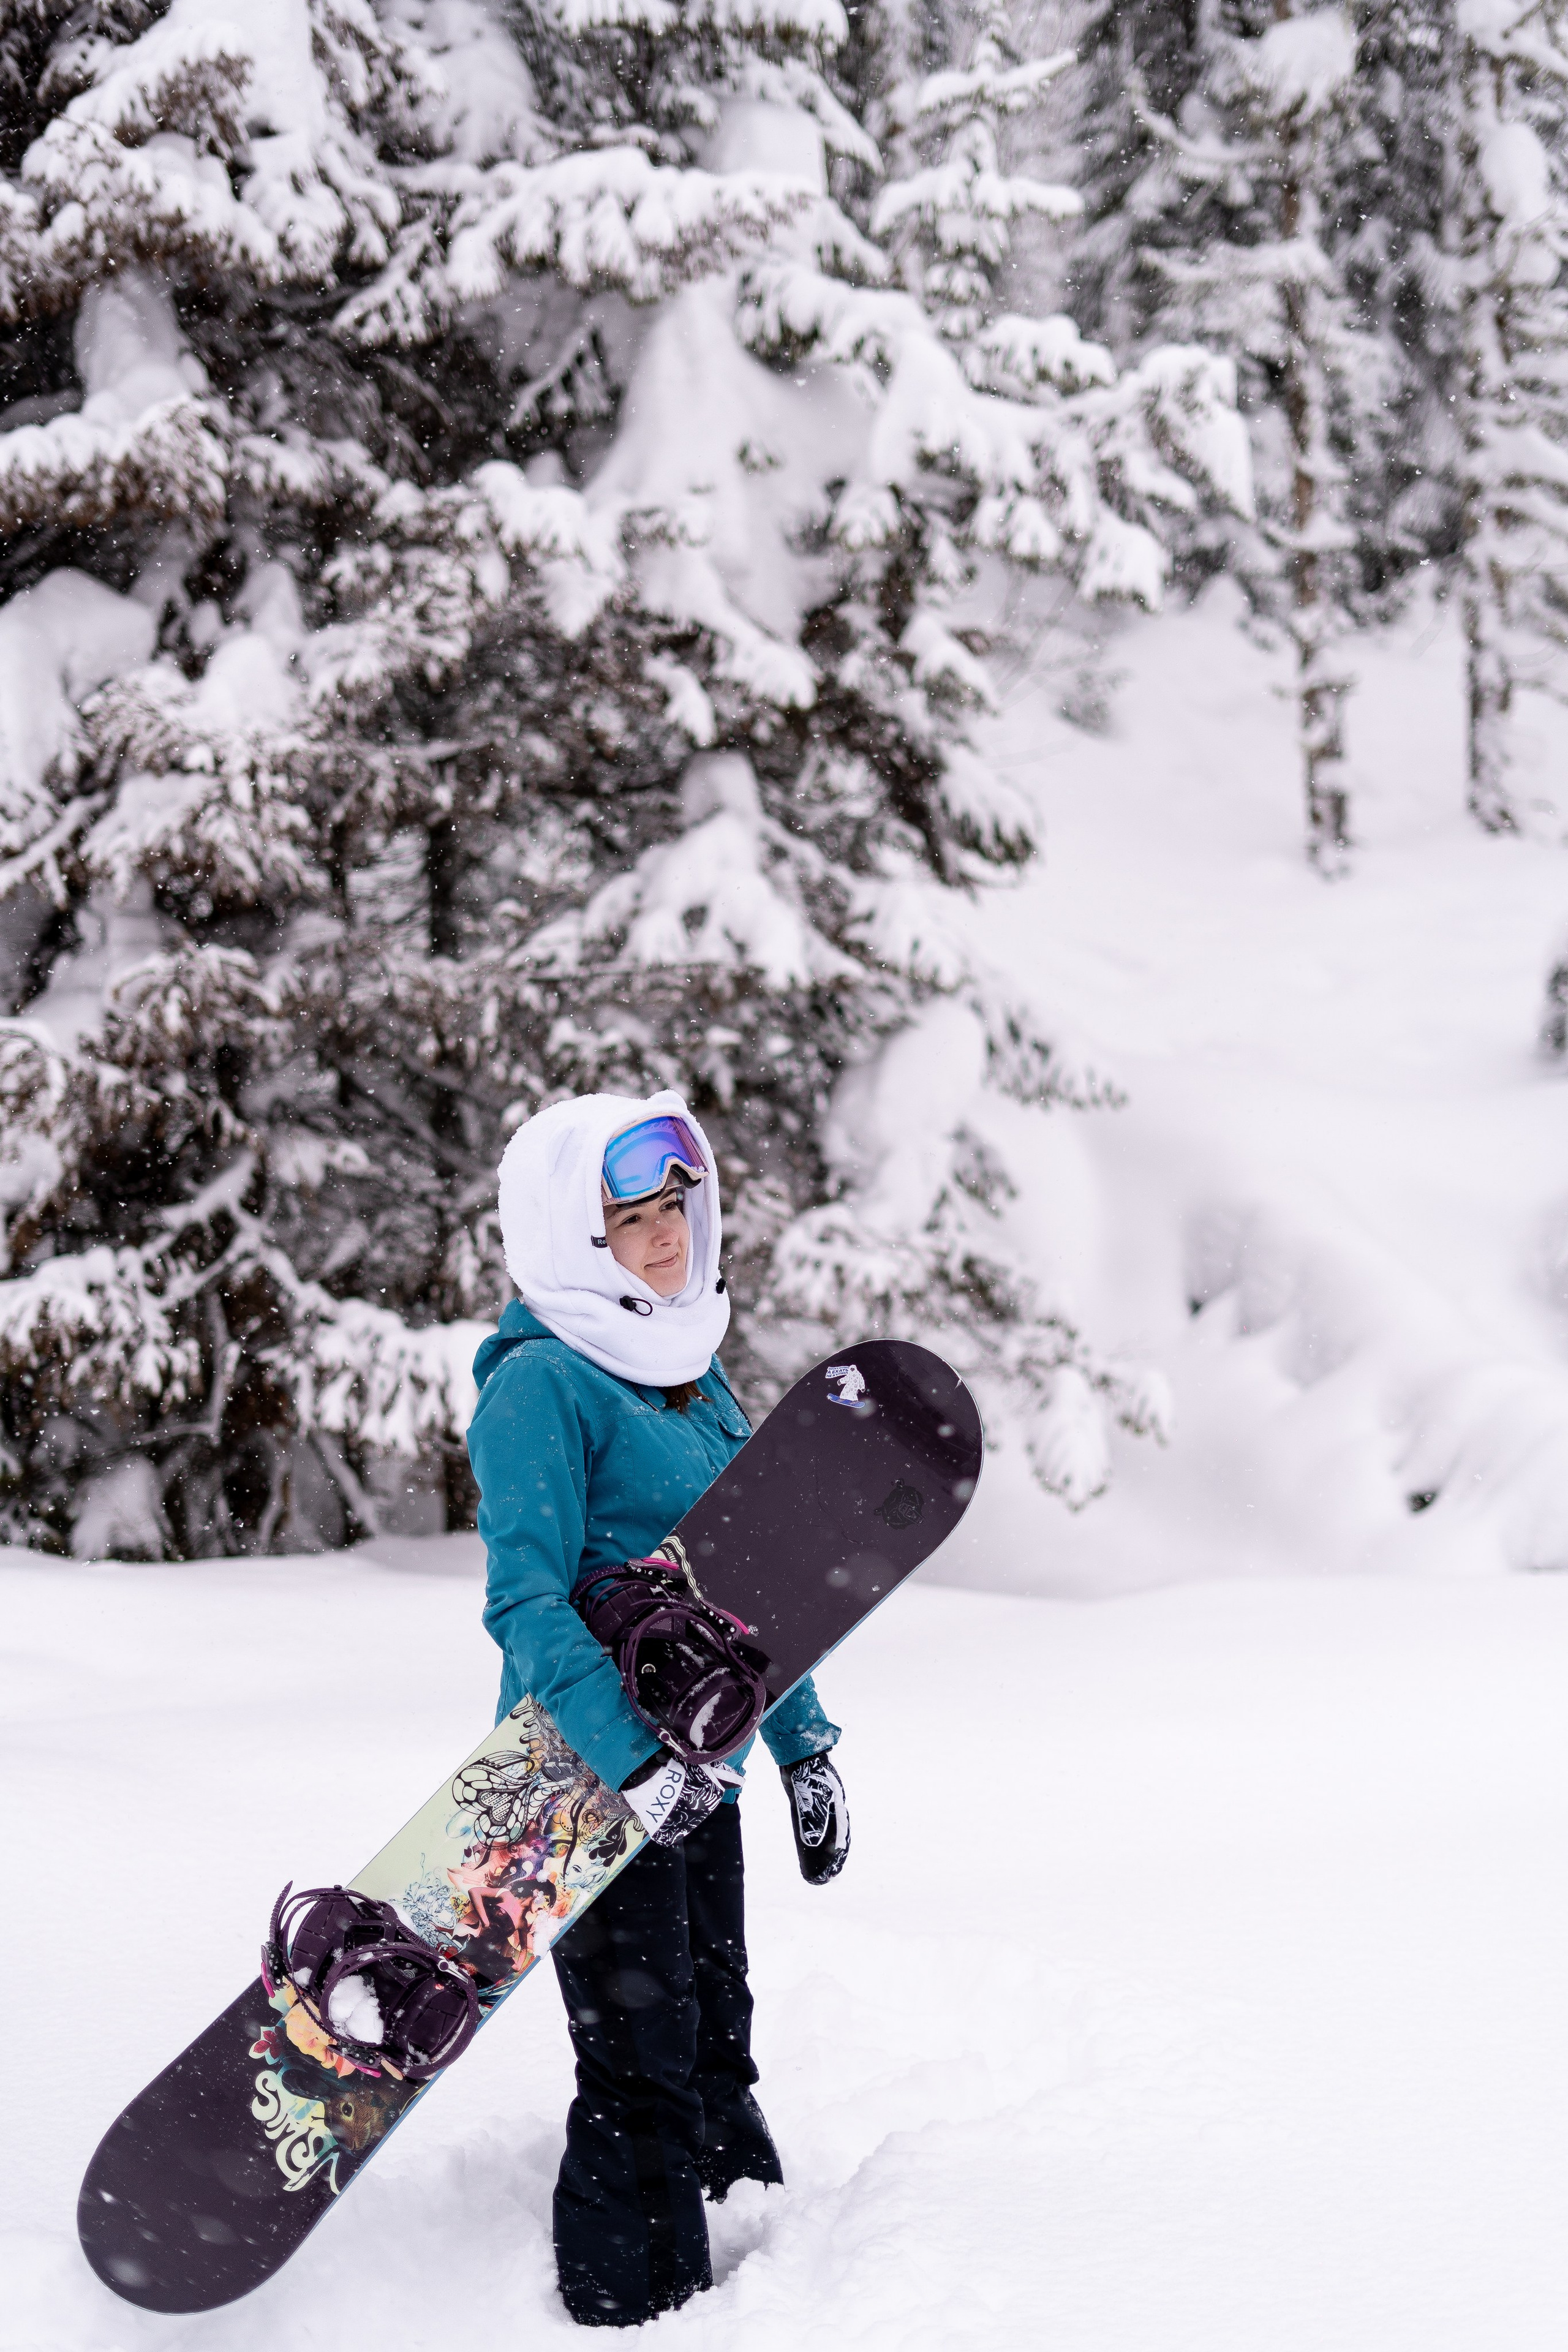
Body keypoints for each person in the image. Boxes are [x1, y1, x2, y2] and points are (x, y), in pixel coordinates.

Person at [467, 1088, 850, 2329]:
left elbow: (752, 1591)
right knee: (640, 2063)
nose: (666, 1235)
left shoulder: (686, 1369)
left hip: (702, 1767)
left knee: (715, 2030)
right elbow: (525, 1604)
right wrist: (634, 1762)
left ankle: (745, 2250)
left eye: (675, 1206)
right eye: (629, 1220)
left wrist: (802, 1749)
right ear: (573, 1240)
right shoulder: (541, 1386)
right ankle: (635, 2308)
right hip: (585, 1783)